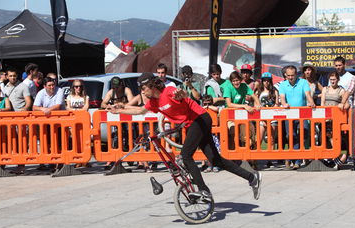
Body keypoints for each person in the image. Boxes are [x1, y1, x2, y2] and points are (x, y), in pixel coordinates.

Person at [108, 72, 262, 201]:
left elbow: (184, 95)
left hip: (200, 118)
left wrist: (181, 93)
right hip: (193, 124)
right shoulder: (154, 102)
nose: (142, 92)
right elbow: (140, 111)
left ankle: (204, 190)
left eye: (143, 88)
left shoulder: (168, 91)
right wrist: (119, 110)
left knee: (186, 156)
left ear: (152, 86)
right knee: (215, 160)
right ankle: (252, 178)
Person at [279, 65, 315, 169]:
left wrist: (311, 102)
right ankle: (295, 160)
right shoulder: (283, 84)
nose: (290, 77)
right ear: (285, 75)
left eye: (292, 75)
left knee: (303, 133)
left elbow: (307, 94)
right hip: (289, 114)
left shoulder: (303, 82)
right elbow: (282, 97)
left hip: (302, 114)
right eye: (288, 75)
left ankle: (293, 159)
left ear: (296, 74)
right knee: (291, 136)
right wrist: (284, 103)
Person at [101, 76, 134, 169]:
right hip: (116, 118)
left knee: (131, 135)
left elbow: (132, 102)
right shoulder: (111, 92)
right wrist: (108, 106)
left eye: (117, 87)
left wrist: (122, 105)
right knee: (114, 137)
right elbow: (103, 103)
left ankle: (138, 160)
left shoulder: (126, 90)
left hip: (128, 116)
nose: (116, 89)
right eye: (114, 87)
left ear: (121, 85)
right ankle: (110, 160)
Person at [224, 71, 260, 151]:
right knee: (233, 132)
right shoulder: (228, 88)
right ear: (231, 82)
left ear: (240, 80)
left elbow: (253, 95)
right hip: (230, 116)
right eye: (233, 81)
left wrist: (258, 104)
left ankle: (248, 156)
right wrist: (244, 106)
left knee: (248, 136)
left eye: (237, 80)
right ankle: (233, 156)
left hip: (242, 116)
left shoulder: (244, 86)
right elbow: (229, 104)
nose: (236, 83)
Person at [321, 71, 347, 169]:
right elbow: (322, 103)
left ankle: (337, 157)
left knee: (333, 138)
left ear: (338, 80)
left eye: (334, 79)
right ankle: (330, 159)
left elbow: (346, 103)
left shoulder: (341, 90)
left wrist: (343, 105)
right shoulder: (325, 89)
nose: (332, 81)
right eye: (331, 79)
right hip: (325, 118)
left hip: (336, 119)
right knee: (324, 139)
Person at [255, 72, 279, 167]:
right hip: (262, 118)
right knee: (259, 139)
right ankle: (255, 159)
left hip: (272, 118)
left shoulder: (274, 91)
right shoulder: (258, 91)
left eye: (268, 80)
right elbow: (256, 103)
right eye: (264, 80)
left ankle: (270, 159)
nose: (266, 82)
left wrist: (272, 109)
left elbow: (277, 103)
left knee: (271, 139)